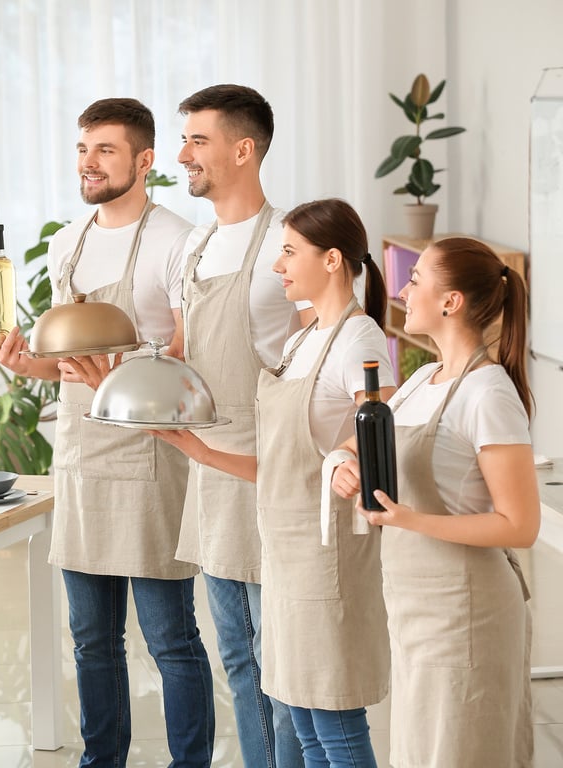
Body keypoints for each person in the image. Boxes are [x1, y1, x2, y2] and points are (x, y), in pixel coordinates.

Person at [0, 98, 214, 767]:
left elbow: (187, 353)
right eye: (83, 149)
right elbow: (65, 365)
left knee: (170, 636)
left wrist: (116, 369)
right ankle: (102, 761)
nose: (89, 163)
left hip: (150, 453)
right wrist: (24, 363)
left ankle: (190, 763)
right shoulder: (70, 240)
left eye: (106, 151)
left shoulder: (179, 239)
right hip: (83, 453)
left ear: (146, 161)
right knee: (91, 638)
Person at [132, 199, 394, 766]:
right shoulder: (300, 342)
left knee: (333, 718)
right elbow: (280, 466)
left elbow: (381, 425)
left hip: (325, 554)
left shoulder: (360, 340)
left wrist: (350, 454)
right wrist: (197, 450)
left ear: (331, 261)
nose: (279, 266)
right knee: (301, 717)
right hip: (283, 547)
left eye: (289, 252)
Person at [331, 237, 538, 768]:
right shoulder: (423, 378)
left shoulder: (488, 393)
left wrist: (408, 519)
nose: (403, 289)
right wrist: (343, 465)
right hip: (414, 604)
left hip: (467, 611)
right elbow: (356, 442)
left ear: (451, 302)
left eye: (417, 279)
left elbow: (520, 525)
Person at [172, 84, 309, 768]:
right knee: (236, 655)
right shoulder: (197, 244)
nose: (182, 154)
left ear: (243, 148)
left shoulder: (290, 242)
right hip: (210, 473)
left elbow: (326, 356)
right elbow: (180, 354)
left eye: (197, 140)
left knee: (280, 659)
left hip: (268, 473)